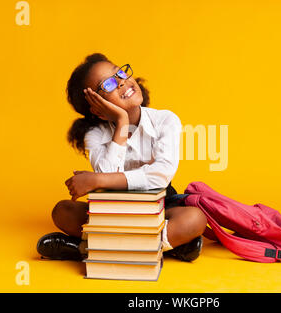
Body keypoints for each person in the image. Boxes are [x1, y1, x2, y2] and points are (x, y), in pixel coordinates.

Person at [36, 53, 207, 262]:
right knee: (62, 211)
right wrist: (122, 122)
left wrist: (96, 180)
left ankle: (86, 248)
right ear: (97, 108)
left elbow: (160, 175)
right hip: (114, 209)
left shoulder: (165, 120)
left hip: (159, 204)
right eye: (107, 84)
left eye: (120, 72)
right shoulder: (95, 134)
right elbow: (108, 181)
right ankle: (162, 247)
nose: (121, 81)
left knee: (195, 219)